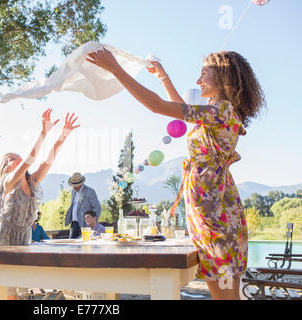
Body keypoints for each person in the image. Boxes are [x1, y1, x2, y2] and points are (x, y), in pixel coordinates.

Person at [86, 49, 265, 300]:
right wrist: (163, 76)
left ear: (224, 79)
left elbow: (159, 106)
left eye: (204, 74)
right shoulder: (213, 113)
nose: (198, 81)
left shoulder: (222, 111)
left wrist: (116, 70)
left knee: (225, 297)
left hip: (217, 217)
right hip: (211, 214)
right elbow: (181, 108)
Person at [0, 109, 80, 298]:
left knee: (19, 292)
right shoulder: (7, 182)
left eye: (15, 156)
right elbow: (30, 159)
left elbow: (47, 162)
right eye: (10, 159)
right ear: (5, 167)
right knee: (4, 292)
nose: (15, 158)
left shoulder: (31, 183)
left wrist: (62, 137)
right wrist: (43, 133)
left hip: (23, 237)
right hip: (4, 238)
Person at [65, 172, 102, 239]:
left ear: (81, 183)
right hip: (74, 223)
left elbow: (97, 208)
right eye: (73, 185)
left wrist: (93, 223)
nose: (74, 187)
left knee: (86, 245)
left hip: (86, 224)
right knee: (72, 245)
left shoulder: (90, 191)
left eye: (76, 185)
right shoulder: (73, 192)